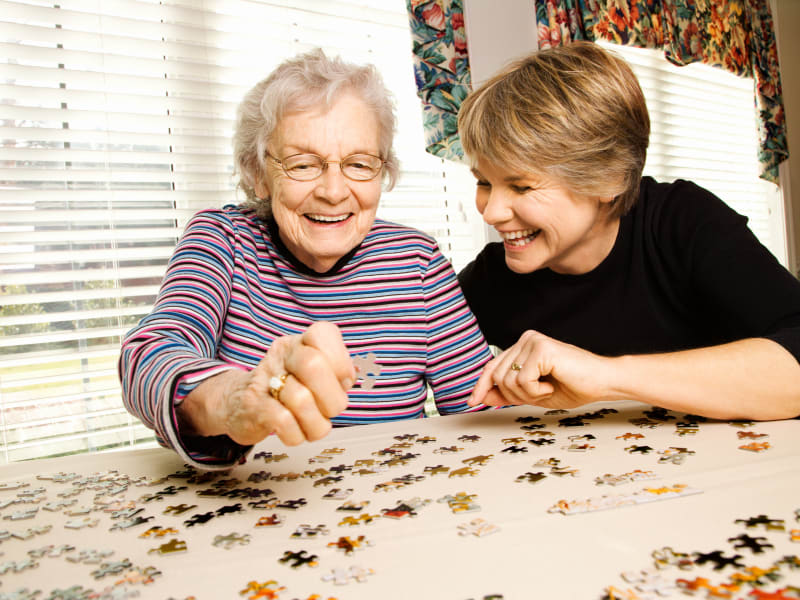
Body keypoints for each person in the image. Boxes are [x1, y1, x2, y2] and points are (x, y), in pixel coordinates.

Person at [119, 49, 492, 469]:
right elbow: (148, 355)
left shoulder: (418, 263)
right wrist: (235, 399)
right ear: (258, 173)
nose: (333, 191)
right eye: (302, 164)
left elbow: (482, 411)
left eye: (358, 164)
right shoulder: (221, 240)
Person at [456, 41, 800, 421]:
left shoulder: (683, 222)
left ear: (610, 178)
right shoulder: (491, 277)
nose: (492, 211)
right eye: (483, 183)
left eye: (521, 187)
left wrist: (606, 377)